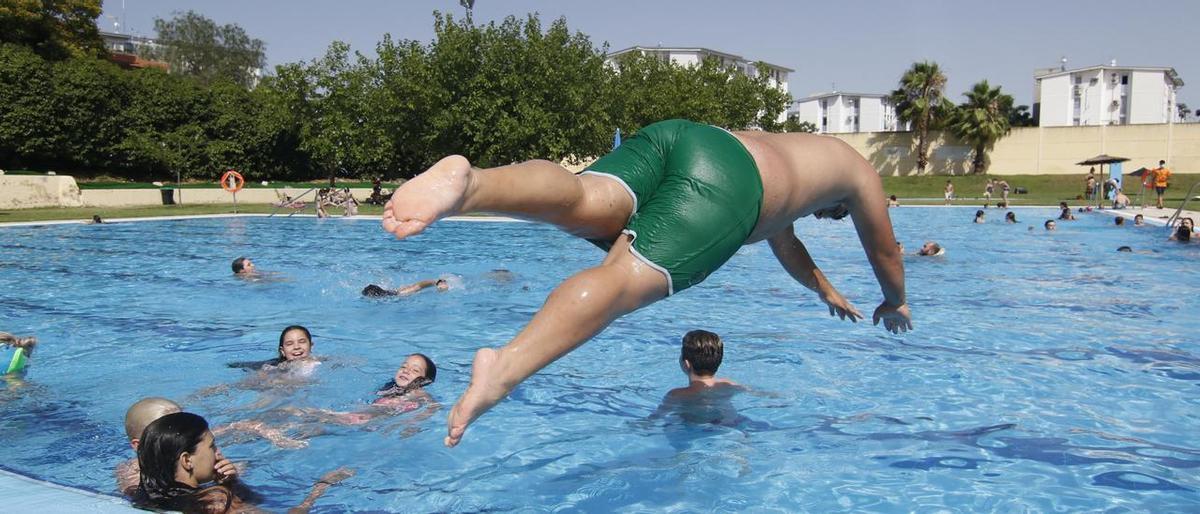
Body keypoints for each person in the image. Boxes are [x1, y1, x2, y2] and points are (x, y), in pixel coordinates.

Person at [380, 119, 910, 447]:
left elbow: (785, 241)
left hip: (687, 138)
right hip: (729, 182)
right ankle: (505, 367)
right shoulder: (860, 172)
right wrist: (895, 300)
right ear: (839, 205)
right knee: (623, 279)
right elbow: (884, 247)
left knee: (585, 199)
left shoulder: (808, 157)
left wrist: (822, 287)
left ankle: (472, 185)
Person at [131, 412, 352, 514]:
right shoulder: (216, 500)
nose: (218, 454)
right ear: (187, 460)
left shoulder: (139, 495)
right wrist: (319, 489)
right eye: (212, 447)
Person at [362, 279, 450, 298]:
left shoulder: (401, 294)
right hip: (391, 292)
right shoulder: (385, 295)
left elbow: (419, 285)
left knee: (411, 289)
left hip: (397, 293)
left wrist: (438, 283)